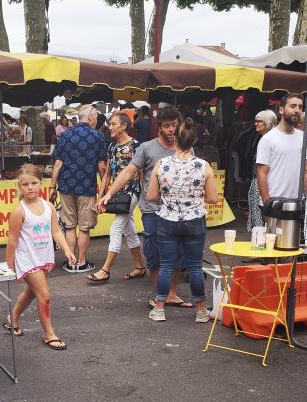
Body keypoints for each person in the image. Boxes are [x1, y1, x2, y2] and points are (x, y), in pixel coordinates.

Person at [98, 105, 192, 308]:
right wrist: (108, 193)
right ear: (159, 128)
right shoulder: (147, 148)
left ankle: (172, 294)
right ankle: (160, 293)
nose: (171, 130)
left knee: (176, 250)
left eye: (174, 125)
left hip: (178, 209)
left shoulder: (186, 147)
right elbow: (127, 172)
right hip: (152, 209)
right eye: (166, 126)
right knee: (154, 250)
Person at [145, 120, 219, 323]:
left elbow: (151, 196)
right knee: (195, 266)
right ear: (194, 141)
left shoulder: (162, 164)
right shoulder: (203, 166)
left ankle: (159, 308)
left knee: (167, 264)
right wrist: (195, 196)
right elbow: (213, 198)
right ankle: (201, 311)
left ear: (175, 139)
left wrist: (170, 196)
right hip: (195, 219)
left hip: (167, 219)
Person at [4, 164, 76, 350]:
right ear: (19, 187)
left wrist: (67, 249)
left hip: (43, 257)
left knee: (32, 292)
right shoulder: (19, 211)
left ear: (41, 184)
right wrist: (9, 263)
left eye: (34, 183)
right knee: (44, 295)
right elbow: (12, 239)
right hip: (27, 259)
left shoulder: (49, 206)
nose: (30, 187)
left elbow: (56, 231)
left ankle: (12, 319)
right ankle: (49, 334)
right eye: (25, 184)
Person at [86, 112, 145, 283]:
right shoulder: (111, 147)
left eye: (113, 124)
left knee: (116, 228)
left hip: (132, 191)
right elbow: (107, 174)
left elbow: (141, 172)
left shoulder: (136, 145)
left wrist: (143, 196)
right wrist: (102, 195)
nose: (110, 127)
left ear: (124, 126)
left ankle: (105, 270)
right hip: (117, 193)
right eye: (109, 124)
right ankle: (140, 267)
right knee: (129, 230)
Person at [50, 104, 108, 273]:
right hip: (87, 187)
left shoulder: (65, 135)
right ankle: (81, 263)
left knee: (69, 226)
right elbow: (102, 167)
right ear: (90, 117)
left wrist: (53, 186)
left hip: (66, 186)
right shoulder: (97, 136)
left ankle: (70, 261)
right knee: (84, 227)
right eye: (96, 117)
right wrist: (104, 188)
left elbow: (57, 164)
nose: (96, 120)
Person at [256, 93, 307, 214]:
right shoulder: (268, 139)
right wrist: (267, 202)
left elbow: (306, 170)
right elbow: (261, 173)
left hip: (297, 203)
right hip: (275, 203)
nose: (297, 110)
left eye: (300, 107)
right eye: (293, 106)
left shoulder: (303, 137)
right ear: (281, 110)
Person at [247, 110, 278, 231]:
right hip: (258, 181)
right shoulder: (262, 139)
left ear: (268, 122)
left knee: (263, 218)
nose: (256, 123)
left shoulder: (271, 140)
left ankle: (262, 241)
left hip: (266, 184)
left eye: (259, 121)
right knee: (257, 216)